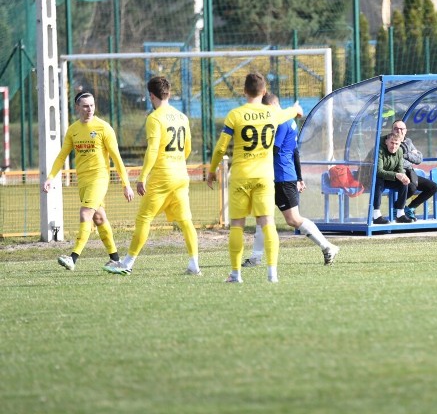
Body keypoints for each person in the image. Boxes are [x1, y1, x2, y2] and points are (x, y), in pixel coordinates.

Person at [206, 73, 303, 283]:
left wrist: (213, 170)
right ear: (264, 91)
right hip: (264, 177)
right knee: (268, 223)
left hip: (241, 176)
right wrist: (297, 110)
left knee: (237, 225)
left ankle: (235, 274)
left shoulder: (235, 114)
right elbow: (291, 111)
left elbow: (221, 147)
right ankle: (272, 274)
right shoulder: (272, 114)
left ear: (244, 91)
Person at [104, 76, 200, 276]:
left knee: (144, 218)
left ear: (151, 96)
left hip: (162, 176)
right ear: (169, 93)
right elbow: (188, 148)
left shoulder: (155, 118)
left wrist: (142, 177)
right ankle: (194, 265)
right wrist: (177, 161)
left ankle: (127, 263)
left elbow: (153, 150)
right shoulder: (182, 117)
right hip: (181, 175)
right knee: (185, 221)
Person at [42, 91, 134, 271]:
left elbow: (117, 158)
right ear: (77, 107)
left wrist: (126, 184)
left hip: (99, 178)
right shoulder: (73, 130)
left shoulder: (103, 128)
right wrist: (50, 177)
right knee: (99, 218)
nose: (89, 109)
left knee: (85, 214)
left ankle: (73, 258)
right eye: (85, 106)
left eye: (92, 105)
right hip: (83, 181)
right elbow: (62, 156)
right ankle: (116, 260)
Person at [245, 93, 339, 267]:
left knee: (293, 219)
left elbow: (273, 149)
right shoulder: (290, 122)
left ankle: (327, 247)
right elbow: (295, 152)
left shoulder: (281, 122)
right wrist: (300, 178)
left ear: (271, 107)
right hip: (277, 177)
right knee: (261, 216)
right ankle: (256, 257)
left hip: (281, 177)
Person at [392, 119, 437, 221]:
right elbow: (396, 160)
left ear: (405, 130)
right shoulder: (390, 142)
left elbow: (419, 159)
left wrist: (406, 155)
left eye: (401, 129)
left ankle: (410, 208)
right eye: (396, 129)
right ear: (392, 130)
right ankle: (397, 207)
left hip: (409, 172)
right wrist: (410, 154)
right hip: (396, 173)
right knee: (411, 187)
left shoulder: (408, 142)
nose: (399, 131)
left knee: (433, 187)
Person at [370, 133, 413, 224]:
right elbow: (378, 171)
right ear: (386, 142)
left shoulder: (400, 151)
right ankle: (376, 215)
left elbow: (400, 169)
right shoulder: (379, 150)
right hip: (371, 178)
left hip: (388, 178)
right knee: (378, 180)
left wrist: (403, 176)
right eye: (392, 143)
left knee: (403, 182)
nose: (394, 146)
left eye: (396, 144)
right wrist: (396, 175)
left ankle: (400, 214)